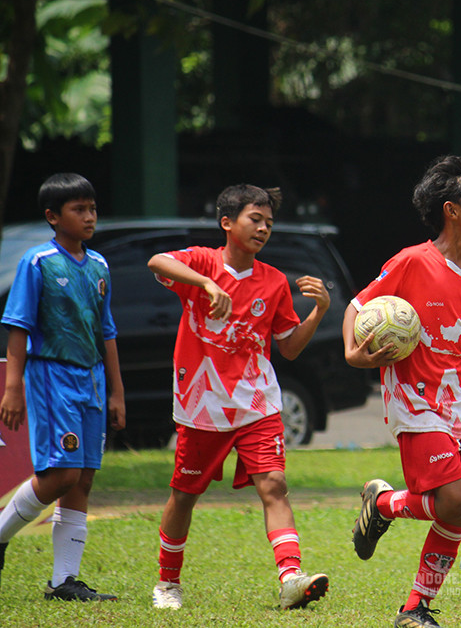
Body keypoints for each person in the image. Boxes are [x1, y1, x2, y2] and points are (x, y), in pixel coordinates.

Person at [343, 155, 461, 628]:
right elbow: (358, 304)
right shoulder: (412, 260)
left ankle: (383, 507)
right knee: (459, 501)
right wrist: (354, 353)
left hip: (457, 404)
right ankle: (412, 610)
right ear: (452, 210)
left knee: (455, 509)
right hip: (413, 398)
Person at [147, 184, 330, 611]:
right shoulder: (201, 261)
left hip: (257, 404)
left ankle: (290, 577)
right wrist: (207, 285)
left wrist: (318, 312)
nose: (264, 228)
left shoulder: (274, 282)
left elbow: (287, 347)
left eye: (269, 222)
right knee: (184, 494)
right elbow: (159, 261)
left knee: (275, 485)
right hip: (202, 405)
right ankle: (167, 584)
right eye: (255, 219)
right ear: (227, 222)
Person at [0, 173, 126, 601]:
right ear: (53, 217)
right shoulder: (38, 263)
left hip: (91, 380)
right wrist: (12, 386)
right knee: (60, 474)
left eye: (92, 208)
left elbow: (106, 331)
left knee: (83, 480)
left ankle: (63, 581)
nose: (89, 216)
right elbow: (18, 326)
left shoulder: (99, 266)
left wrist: (116, 392)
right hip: (53, 376)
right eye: (78, 209)